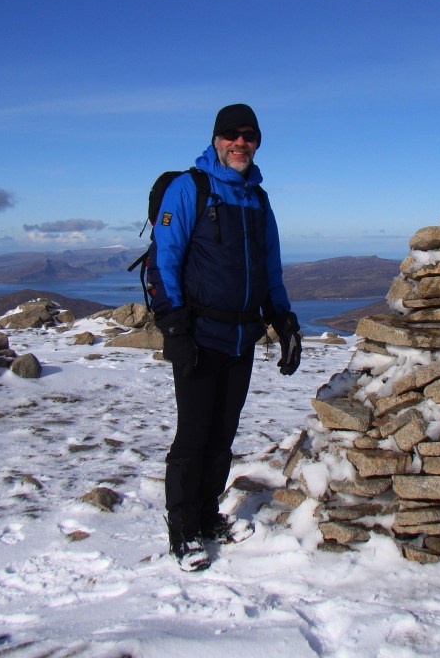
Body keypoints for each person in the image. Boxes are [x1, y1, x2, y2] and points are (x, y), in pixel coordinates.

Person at [147, 103, 301, 571]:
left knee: (223, 433)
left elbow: (269, 267)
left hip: (241, 338)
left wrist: (285, 321)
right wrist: (173, 327)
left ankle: (209, 515)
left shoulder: (258, 198)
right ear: (216, 140)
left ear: (256, 143)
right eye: (231, 135)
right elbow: (164, 259)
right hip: (198, 333)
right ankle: (182, 530)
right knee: (193, 434)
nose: (240, 143)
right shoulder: (189, 188)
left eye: (249, 136)